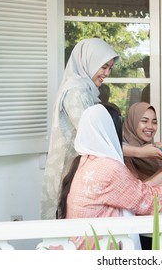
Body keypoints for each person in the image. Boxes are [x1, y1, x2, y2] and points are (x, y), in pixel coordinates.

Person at [57, 104, 162, 250]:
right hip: (97, 252)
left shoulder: (85, 161)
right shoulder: (109, 167)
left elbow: (135, 191)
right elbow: (148, 201)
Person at [41, 38, 119, 220]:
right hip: (69, 176)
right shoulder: (76, 93)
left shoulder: (85, 90)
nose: (106, 73)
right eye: (103, 66)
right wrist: (140, 151)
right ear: (88, 62)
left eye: (110, 68)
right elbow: (96, 139)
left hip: (78, 176)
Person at [122, 102, 162, 182]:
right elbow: (138, 191)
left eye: (154, 122)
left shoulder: (153, 150)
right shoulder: (123, 156)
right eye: (144, 121)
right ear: (132, 122)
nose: (150, 127)